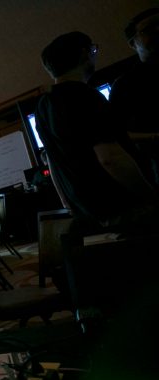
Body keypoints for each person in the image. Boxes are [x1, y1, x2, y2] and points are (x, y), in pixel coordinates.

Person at [34, 31, 158, 235]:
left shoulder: (42, 107)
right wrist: (151, 196)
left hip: (89, 214)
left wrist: (68, 204)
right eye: (94, 49)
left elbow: (54, 163)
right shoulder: (84, 96)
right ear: (85, 53)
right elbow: (110, 158)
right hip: (121, 206)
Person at [110, 8, 159, 187]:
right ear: (133, 43)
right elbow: (117, 134)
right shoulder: (125, 85)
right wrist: (154, 137)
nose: (158, 30)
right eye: (149, 29)